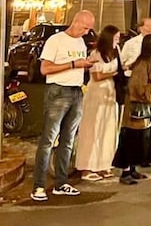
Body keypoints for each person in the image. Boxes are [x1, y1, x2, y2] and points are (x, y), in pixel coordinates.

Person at [31, 11, 96, 203]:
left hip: (76, 90)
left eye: (89, 29)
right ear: (76, 22)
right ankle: (39, 185)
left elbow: (78, 65)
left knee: (68, 139)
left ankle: (61, 183)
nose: (86, 32)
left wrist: (85, 64)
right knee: (49, 139)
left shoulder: (81, 42)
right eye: (85, 27)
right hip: (58, 90)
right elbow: (45, 69)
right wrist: (74, 64)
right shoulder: (56, 40)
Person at [113, 34, 151, 185]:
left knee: (139, 140)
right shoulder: (142, 65)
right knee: (131, 140)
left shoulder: (147, 63)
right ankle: (125, 172)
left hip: (142, 110)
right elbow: (136, 87)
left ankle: (132, 169)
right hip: (135, 110)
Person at [76, 25, 121, 181]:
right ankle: (87, 167)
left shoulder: (116, 52)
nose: (118, 41)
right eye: (115, 38)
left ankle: (104, 164)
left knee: (108, 129)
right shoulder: (95, 54)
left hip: (110, 93)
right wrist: (114, 73)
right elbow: (96, 76)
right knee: (93, 128)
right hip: (96, 93)